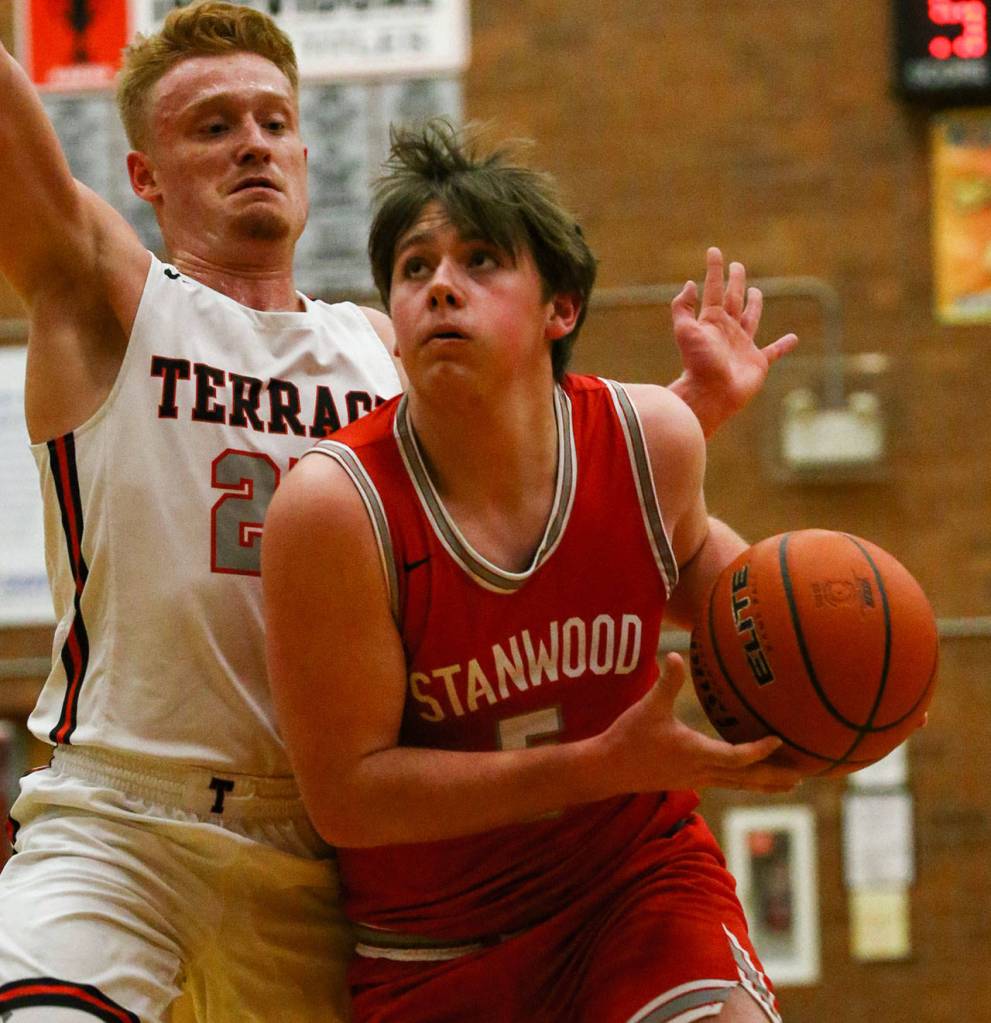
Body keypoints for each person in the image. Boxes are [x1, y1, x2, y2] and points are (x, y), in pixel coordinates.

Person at [0, 4, 795, 1021]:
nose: (254, 141)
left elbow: (550, 511)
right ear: (144, 175)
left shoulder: (384, 344)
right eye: (212, 125)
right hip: (123, 821)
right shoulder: (108, 293)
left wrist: (691, 416)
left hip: (325, 851)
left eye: (275, 120)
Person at [261, 121, 805, 1023]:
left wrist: (835, 670)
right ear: (391, 322)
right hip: (433, 943)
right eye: (414, 267)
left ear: (561, 308)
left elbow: (728, 598)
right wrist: (596, 763)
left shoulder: (652, 439)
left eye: (479, 261)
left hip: (632, 884)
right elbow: (349, 798)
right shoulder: (334, 507)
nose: (440, 285)